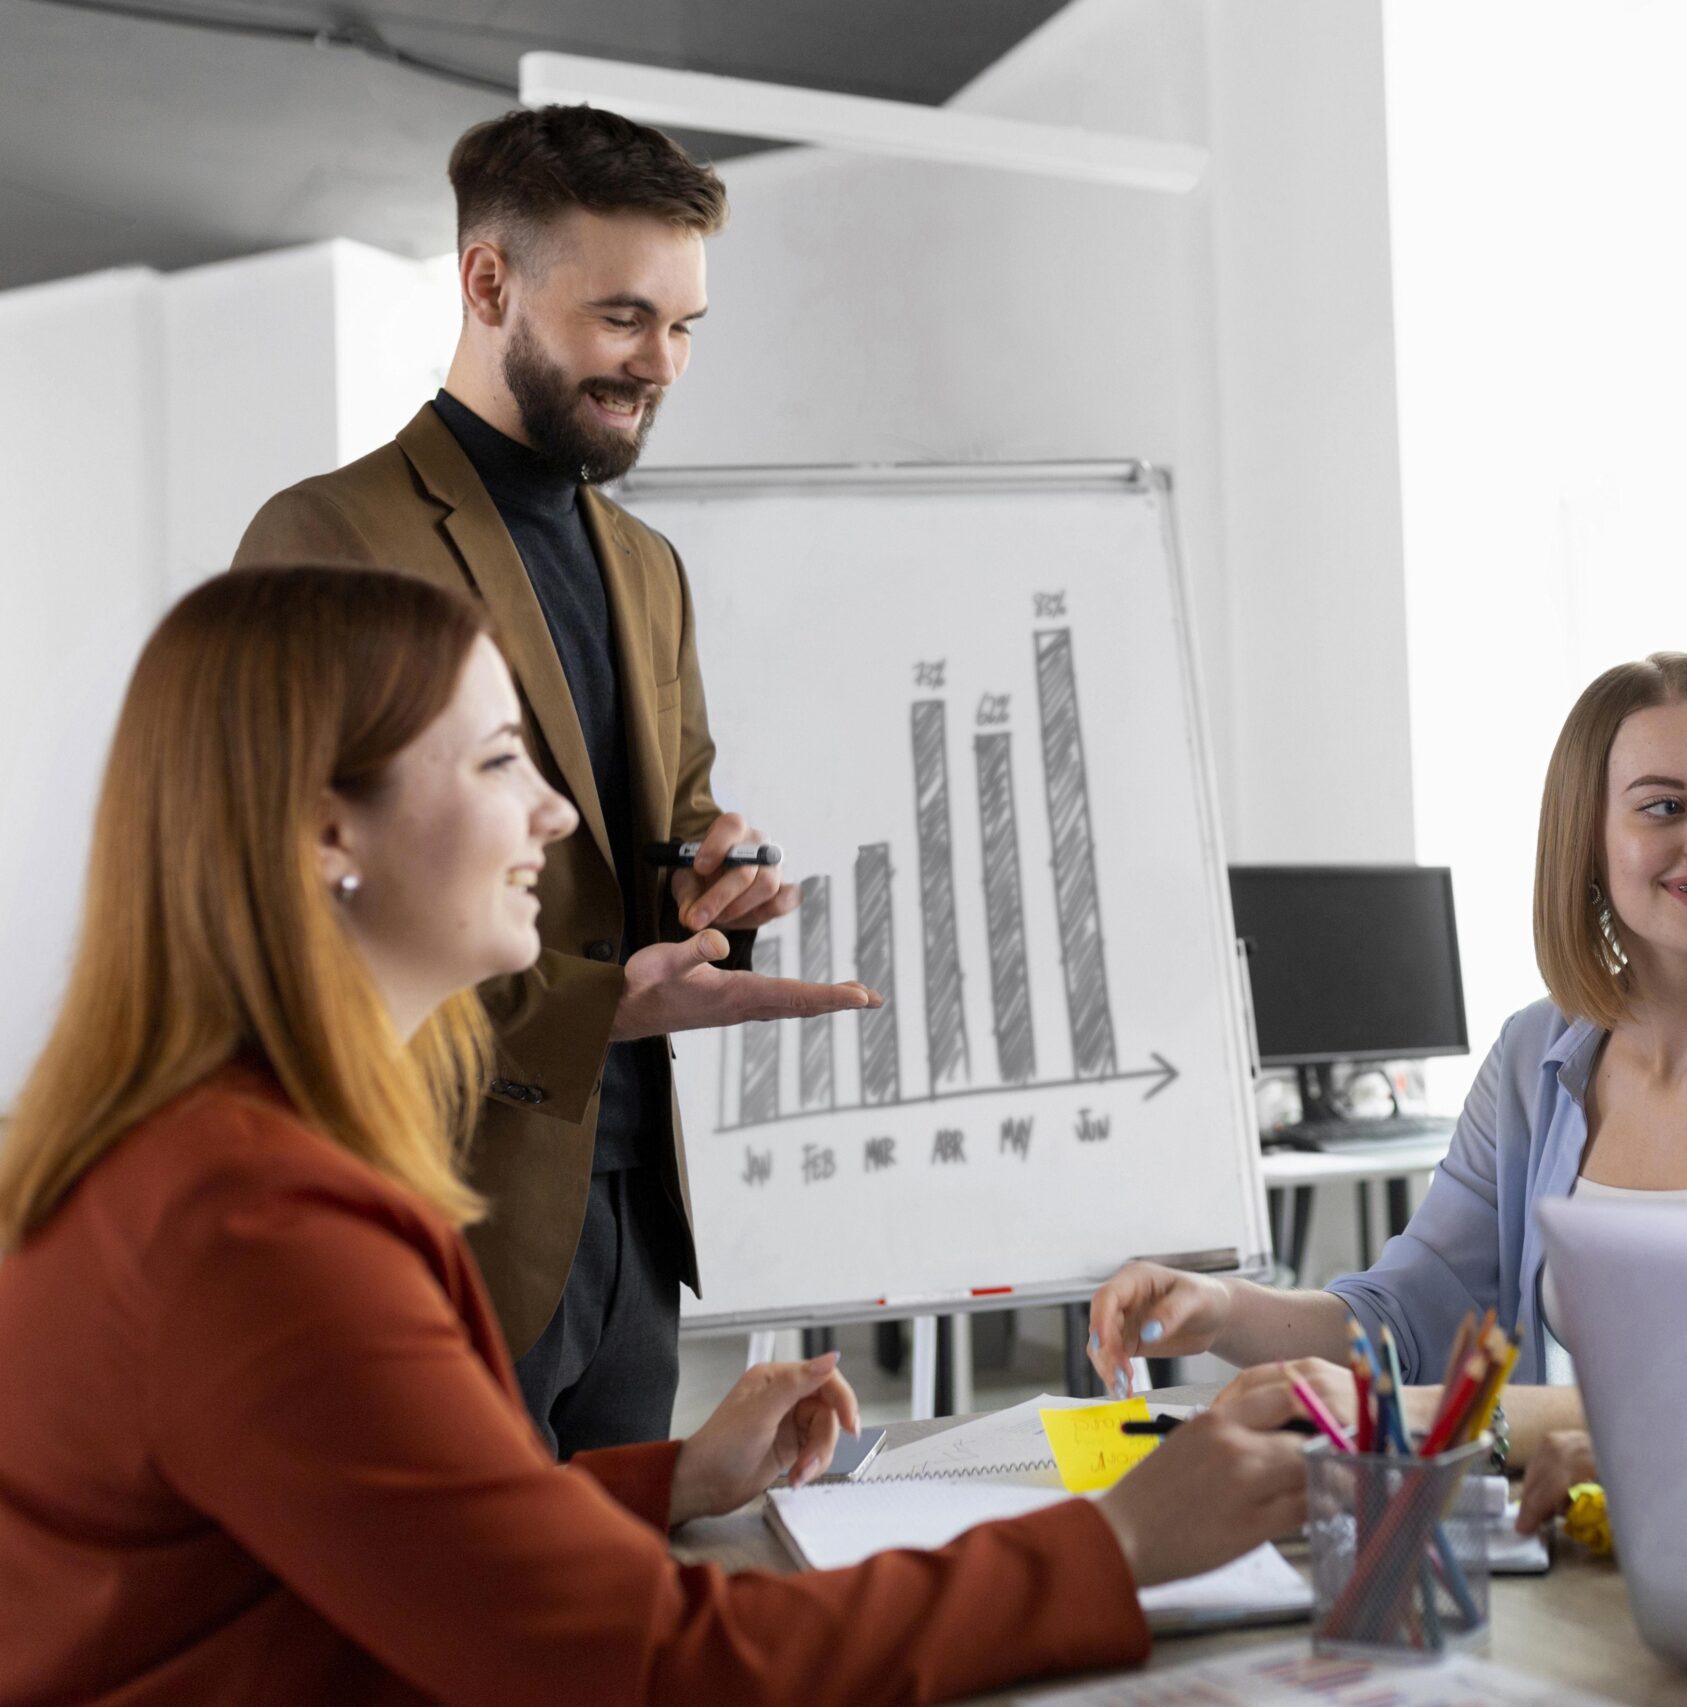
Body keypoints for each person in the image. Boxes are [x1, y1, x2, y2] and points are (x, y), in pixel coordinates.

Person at [0, 568, 1307, 1706]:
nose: (557, 815)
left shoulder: (197, 1145)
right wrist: (1119, 1543)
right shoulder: (258, 1220)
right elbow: (644, 1667)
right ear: (330, 827)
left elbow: (417, 1550)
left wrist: (673, 1477)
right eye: (503, 759)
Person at [232, 106, 863, 1455]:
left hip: (636, 1215)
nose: (663, 364)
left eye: (686, 326)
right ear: (486, 282)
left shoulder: (646, 566)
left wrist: (708, 882)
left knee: (620, 1615)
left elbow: (664, 829)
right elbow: (301, 918)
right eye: (626, 317)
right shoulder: (328, 534)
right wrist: (596, 1009)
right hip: (442, 1205)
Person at [1093, 652, 1687, 1516]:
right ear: (1587, 838)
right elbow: (1409, 1312)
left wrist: (1456, 1417)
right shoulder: (1534, 1057)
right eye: (1665, 805)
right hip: (1581, 1536)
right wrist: (1222, 1308)